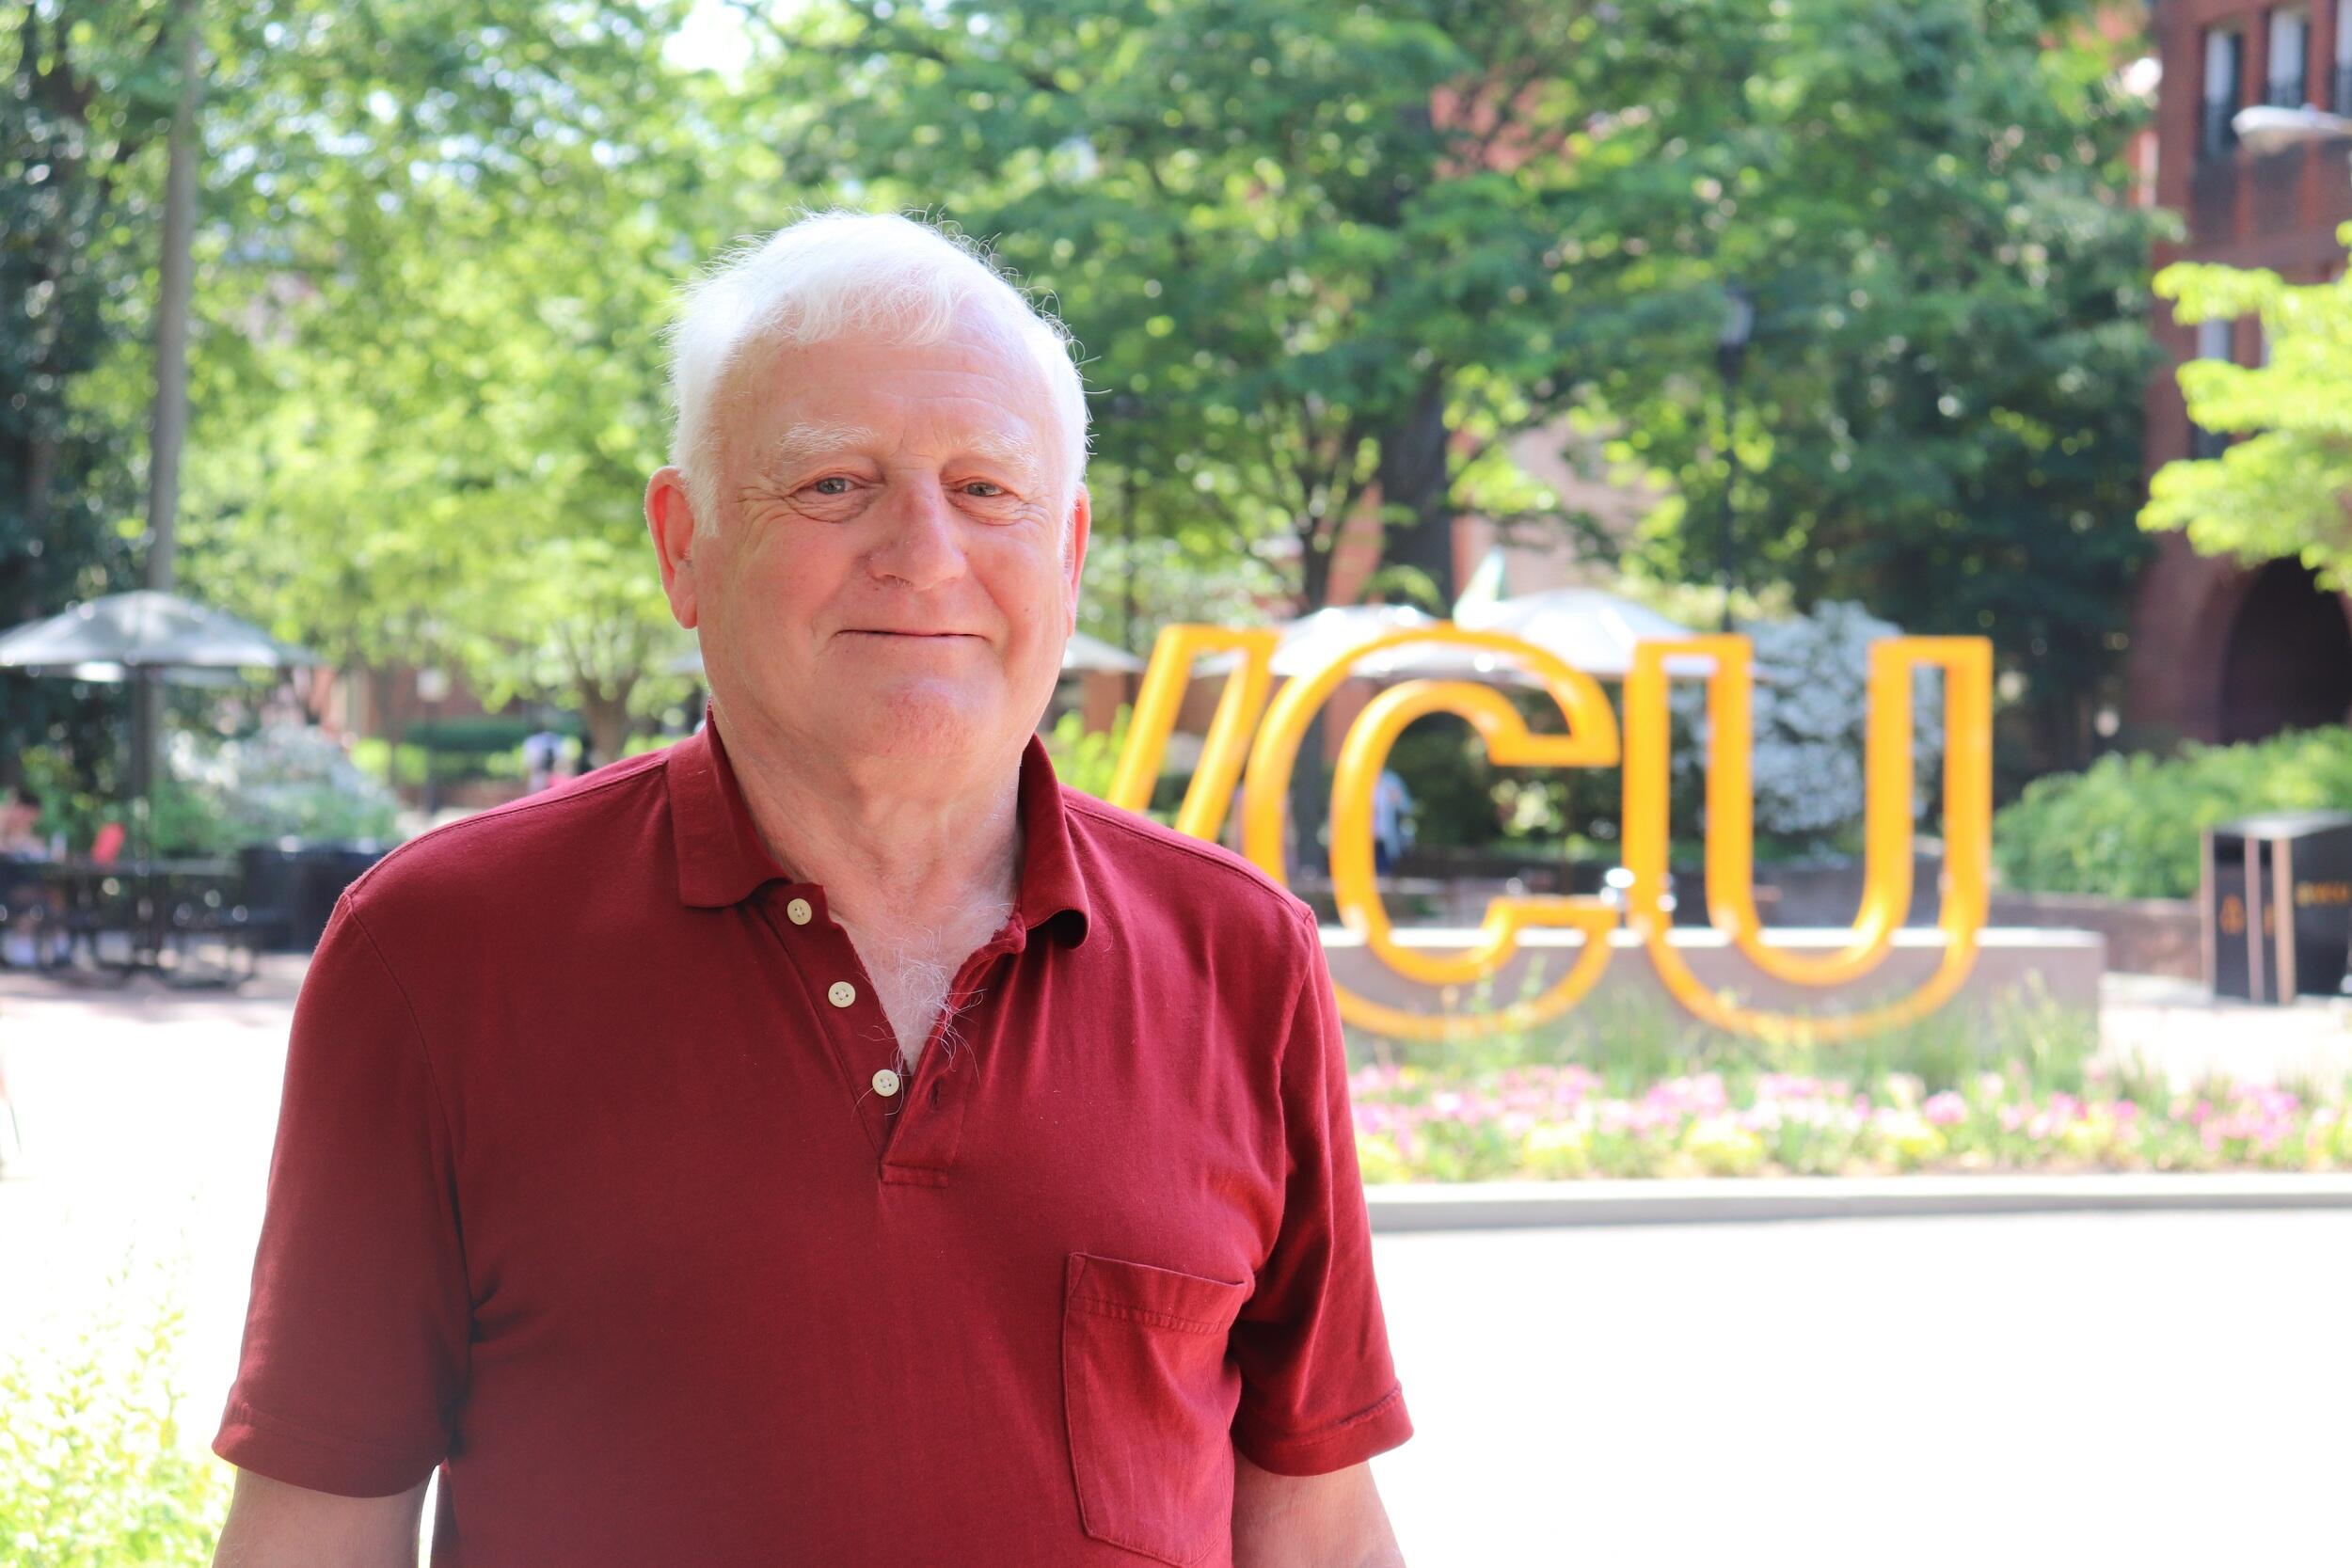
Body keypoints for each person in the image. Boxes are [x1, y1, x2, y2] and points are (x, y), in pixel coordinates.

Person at [210, 212, 1412, 1568]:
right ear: (684, 545)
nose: (923, 553)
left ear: (1069, 555)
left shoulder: (1241, 955)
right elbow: (319, 1526)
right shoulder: (439, 954)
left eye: (986, 488)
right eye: (835, 484)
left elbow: (1313, 1521)